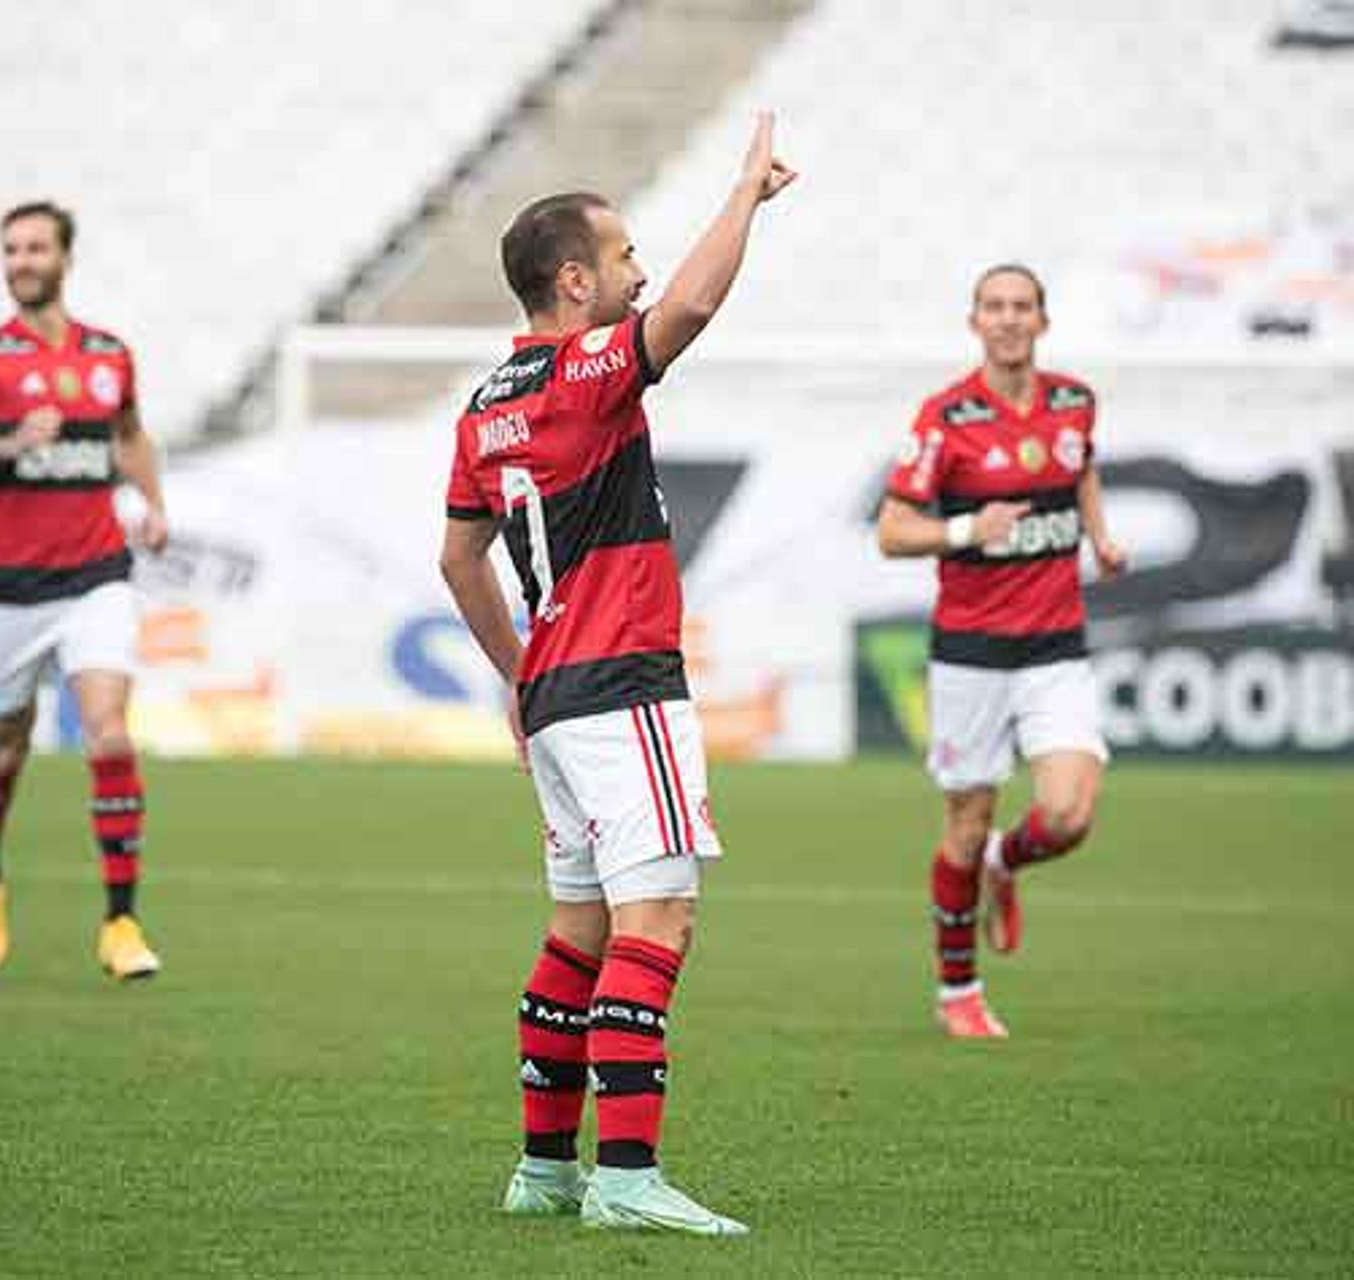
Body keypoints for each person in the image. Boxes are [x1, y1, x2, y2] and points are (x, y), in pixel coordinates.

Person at [438, 114, 794, 1236]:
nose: (640, 273)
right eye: (626, 255)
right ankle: (629, 1178)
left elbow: (458, 557)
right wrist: (744, 196)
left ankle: (543, 1170)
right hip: (624, 684)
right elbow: (685, 311)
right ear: (577, 280)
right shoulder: (588, 373)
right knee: (660, 919)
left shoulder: (483, 405)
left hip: (553, 699)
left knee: (577, 933)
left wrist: (516, 670)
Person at [0, 200, 167, 980]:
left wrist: (153, 503)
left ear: (64, 258)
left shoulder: (110, 355)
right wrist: (7, 443)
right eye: (10, 249)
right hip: (9, 593)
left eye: (34, 247)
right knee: (2, 746)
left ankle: (121, 923)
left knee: (108, 731)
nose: (20, 260)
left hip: (97, 576)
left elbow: (129, 435)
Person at [876, 263, 1127, 1038]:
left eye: (1023, 307)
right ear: (974, 321)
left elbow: (1078, 470)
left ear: (1043, 322)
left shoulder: (1074, 402)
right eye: (995, 307)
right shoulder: (945, 418)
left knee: (1068, 813)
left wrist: (1101, 535)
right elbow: (891, 530)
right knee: (965, 818)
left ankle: (1005, 862)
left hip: (1056, 648)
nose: (1009, 319)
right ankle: (959, 994)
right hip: (971, 655)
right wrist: (963, 530)